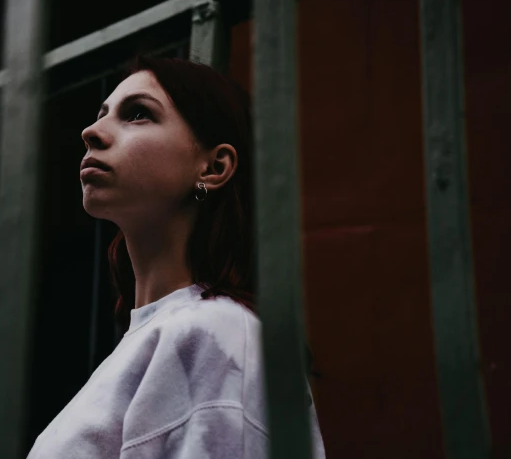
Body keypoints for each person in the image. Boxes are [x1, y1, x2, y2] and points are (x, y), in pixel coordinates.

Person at [26, 56, 326, 458]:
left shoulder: (215, 330)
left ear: (214, 166)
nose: (91, 132)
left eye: (137, 114)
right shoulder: (161, 337)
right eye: (102, 115)